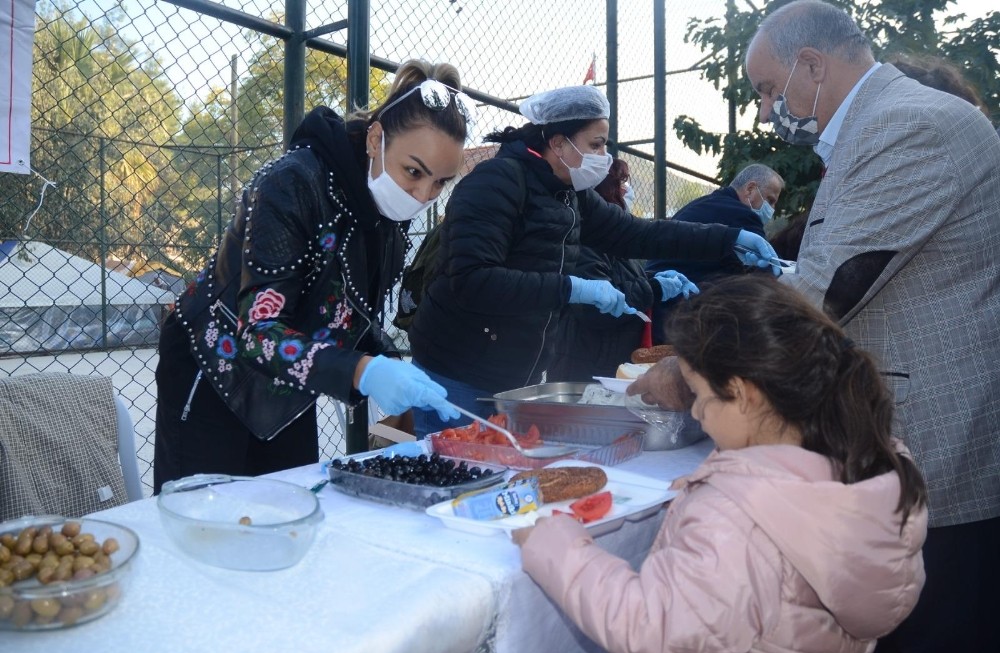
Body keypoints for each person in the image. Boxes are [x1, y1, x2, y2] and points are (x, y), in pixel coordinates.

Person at [631, 1, 1000, 653]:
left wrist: (689, 368)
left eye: (771, 89)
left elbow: (827, 288)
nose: (769, 111)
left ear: (812, 65)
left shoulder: (909, 125)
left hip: (941, 457)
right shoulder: (883, 125)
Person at [515, 276, 928, 653]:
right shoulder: (861, 466)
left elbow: (653, 627)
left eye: (698, 395)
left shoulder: (735, 519)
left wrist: (558, 546)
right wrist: (709, 487)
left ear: (743, 394)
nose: (695, 410)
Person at [153, 60, 473, 493]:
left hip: (290, 383)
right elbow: (256, 334)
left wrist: (396, 367)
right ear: (377, 138)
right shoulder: (293, 183)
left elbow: (348, 310)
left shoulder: (384, 213)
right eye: (413, 172)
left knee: (289, 510)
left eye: (439, 183)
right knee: (201, 519)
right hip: (217, 373)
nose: (422, 195)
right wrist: (362, 371)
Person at [407, 84, 778, 438]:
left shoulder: (569, 194)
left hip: (514, 372)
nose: (605, 156)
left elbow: (638, 233)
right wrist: (573, 289)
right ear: (557, 142)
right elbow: (474, 280)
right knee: (456, 473)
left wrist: (728, 239)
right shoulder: (496, 182)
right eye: (596, 144)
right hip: (455, 368)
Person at [547, 159, 696, 382]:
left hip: (608, 359)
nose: (629, 193)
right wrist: (654, 288)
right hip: (584, 368)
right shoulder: (583, 239)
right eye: (622, 186)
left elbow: (622, 277)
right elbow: (598, 307)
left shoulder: (612, 240)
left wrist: (655, 278)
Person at [645, 163, 784, 343]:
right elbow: (767, 274)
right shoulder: (742, 214)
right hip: (684, 315)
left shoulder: (706, 204)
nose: (771, 210)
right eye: (770, 200)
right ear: (750, 189)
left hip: (660, 307)